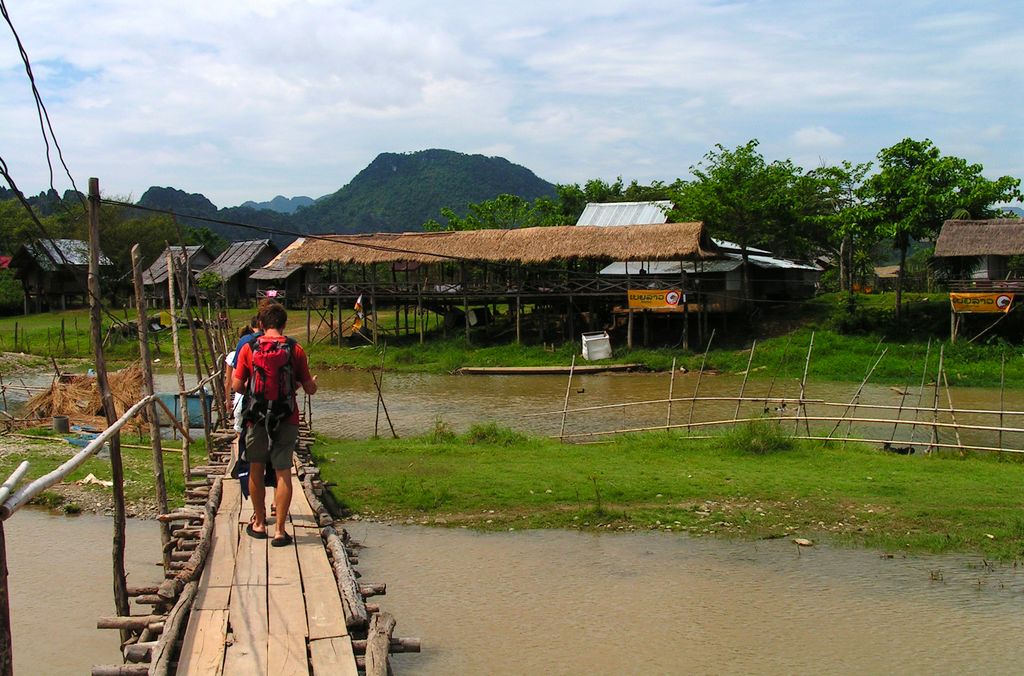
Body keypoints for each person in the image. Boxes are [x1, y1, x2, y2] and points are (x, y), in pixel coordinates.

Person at [231, 302, 317, 546]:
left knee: (256, 467)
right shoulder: (295, 349)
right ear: (284, 324)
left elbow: (237, 386)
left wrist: (254, 392)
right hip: (286, 417)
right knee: (283, 472)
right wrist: (306, 385)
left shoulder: (249, 347)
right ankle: (280, 530)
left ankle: (258, 523)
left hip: (256, 418)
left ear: (260, 324)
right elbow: (309, 387)